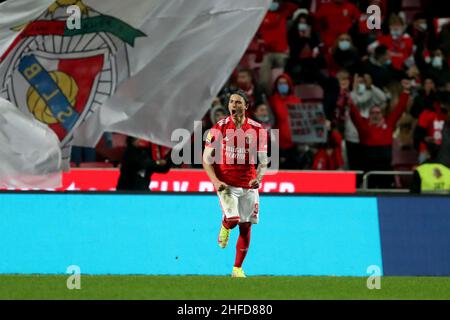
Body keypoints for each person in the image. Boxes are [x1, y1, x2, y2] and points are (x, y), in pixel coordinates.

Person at [203, 89, 268, 278]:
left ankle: (237, 268)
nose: (234, 105)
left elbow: (263, 161)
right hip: (226, 183)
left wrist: (259, 178)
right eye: (232, 102)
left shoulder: (257, 130)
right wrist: (215, 181)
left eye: (238, 102)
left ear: (246, 106)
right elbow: (206, 159)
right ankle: (224, 225)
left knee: (246, 226)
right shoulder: (219, 128)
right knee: (232, 220)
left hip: (248, 184)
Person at [348, 79, 411, 188]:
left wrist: (405, 91)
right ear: (369, 115)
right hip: (369, 170)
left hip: (385, 169)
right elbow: (354, 114)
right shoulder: (364, 126)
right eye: (373, 113)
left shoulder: (389, 124)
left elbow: (399, 109)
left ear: (382, 114)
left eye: (378, 113)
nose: (375, 115)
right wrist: (348, 99)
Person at [269, 73, 301, 169]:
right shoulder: (272, 100)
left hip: (293, 141)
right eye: (280, 83)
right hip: (276, 140)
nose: (283, 86)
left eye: (285, 83)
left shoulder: (296, 101)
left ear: (289, 85)